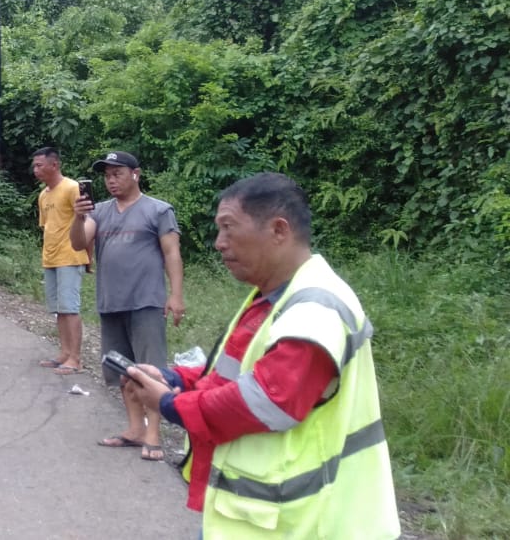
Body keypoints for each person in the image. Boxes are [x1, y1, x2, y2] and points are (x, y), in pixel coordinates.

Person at [124, 173, 398, 538]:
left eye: (229, 228)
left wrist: (172, 405)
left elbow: (270, 399)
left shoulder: (316, 305)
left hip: (310, 522)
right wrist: (175, 379)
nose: (219, 243)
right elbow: (234, 374)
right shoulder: (273, 295)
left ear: (279, 230)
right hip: (263, 517)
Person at [69, 150, 185, 462]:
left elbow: (172, 253)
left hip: (146, 301)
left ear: (136, 173)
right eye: (107, 175)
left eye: (118, 173)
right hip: (111, 302)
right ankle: (134, 429)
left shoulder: (159, 210)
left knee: (151, 372)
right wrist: (79, 216)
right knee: (123, 370)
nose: (111, 180)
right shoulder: (100, 211)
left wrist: (176, 295)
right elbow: (79, 244)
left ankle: (154, 434)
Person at [32, 147, 91, 375]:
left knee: (70, 308)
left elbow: (87, 222)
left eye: (39, 165)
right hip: (51, 257)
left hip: (70, 256)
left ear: (54, 165)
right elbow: (47, 227)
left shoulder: (71, 188)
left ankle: (76, 358)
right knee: (59, 309)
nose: (35, 169)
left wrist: (89, 257)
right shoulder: (44, 195)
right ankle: (64, 353)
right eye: (34, 165)